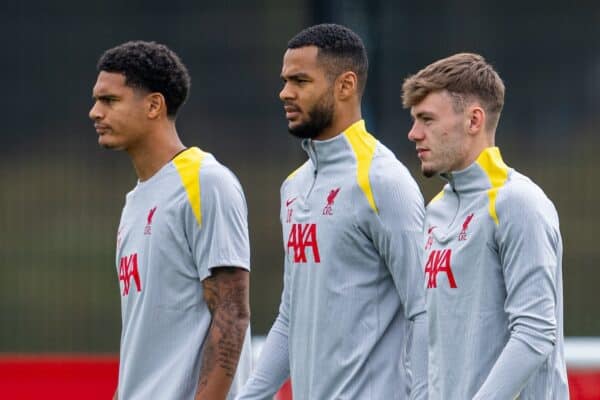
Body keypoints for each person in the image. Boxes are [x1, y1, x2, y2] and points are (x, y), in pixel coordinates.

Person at [238, 24, 427, 400]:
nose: (285, 93)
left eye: (300, 81)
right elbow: (290, 318)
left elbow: (424, 312)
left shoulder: (383, 181)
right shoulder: (293, 187)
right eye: (285, 80)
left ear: (345, 85)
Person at [89, 41, 252, 400]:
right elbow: (143, 337)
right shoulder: (135, 201)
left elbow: (232, 313)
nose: (95, 112)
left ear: (153, 105)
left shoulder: (205, 182)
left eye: (109, 100)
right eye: (97, 100)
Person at [402, 52, 569, 399]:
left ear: (474, 120)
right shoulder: (436, 211)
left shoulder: (519, 202)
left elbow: (535, 333)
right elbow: (429, 336)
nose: (413, 133)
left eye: (427, 119)